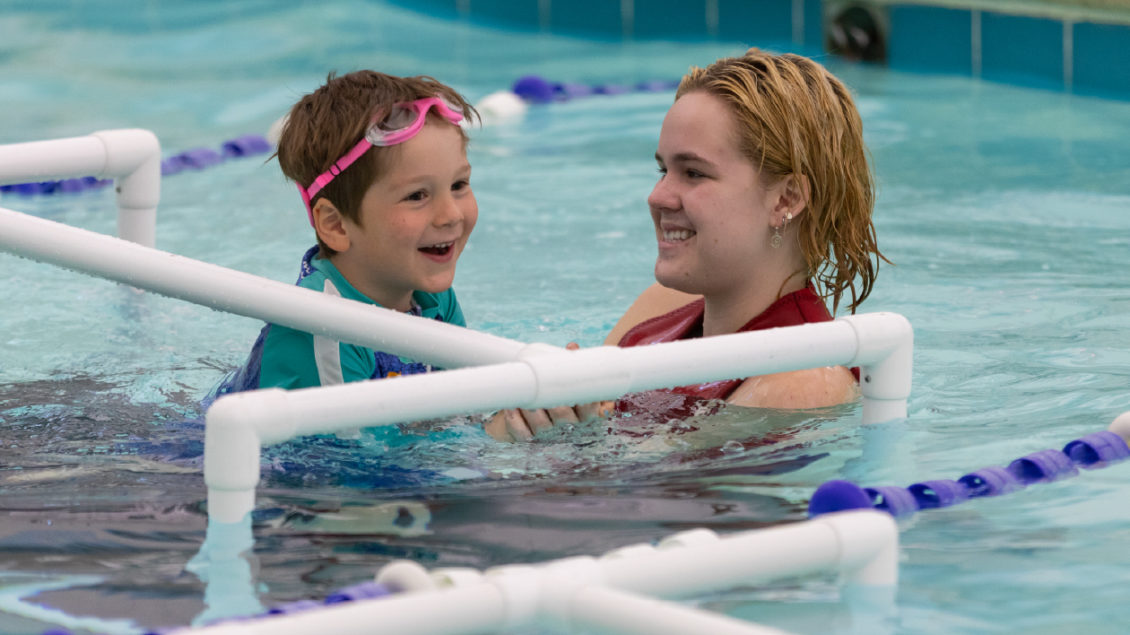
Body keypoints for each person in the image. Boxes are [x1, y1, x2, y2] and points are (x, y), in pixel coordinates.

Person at [486, 48, 885, 441]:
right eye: (664, 169)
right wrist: (528, 414)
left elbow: (638, 497)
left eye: (693, 173)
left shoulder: (804, 381)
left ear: (786, 198)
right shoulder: (661, 305)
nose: (657, 196)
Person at [216, 71, 479, 394]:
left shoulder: (430, 297)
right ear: (335, 225)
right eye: (416, 196)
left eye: (459, 185)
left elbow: (466, 401)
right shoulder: (322, 328)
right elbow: (344, 445)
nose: (451, 214)